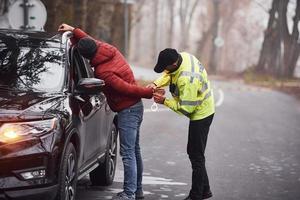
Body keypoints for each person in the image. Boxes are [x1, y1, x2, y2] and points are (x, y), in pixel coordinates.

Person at [58, 23, 153, 200]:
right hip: (135, 108)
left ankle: (129, 194)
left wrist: (149, 92)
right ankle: (137, 191)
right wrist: (74, 31)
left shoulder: (104, 72)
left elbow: (127, 89)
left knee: (128, 153)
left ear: (86, 57)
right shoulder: (108, 49)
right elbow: (90, 41)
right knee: (134, 151)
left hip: (128, 110)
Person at [149, 48, 215, 200]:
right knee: (195, 152)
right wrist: (155, 84)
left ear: (173, 63)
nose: (164, 69)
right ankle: (205, 190)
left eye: (165, 66)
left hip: (201, 113)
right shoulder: (183, 57)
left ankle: (196, 195)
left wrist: (164, 101)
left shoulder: (187, 80)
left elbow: (186, 109)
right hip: (202, 107)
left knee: (196, 155)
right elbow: (170, 74)